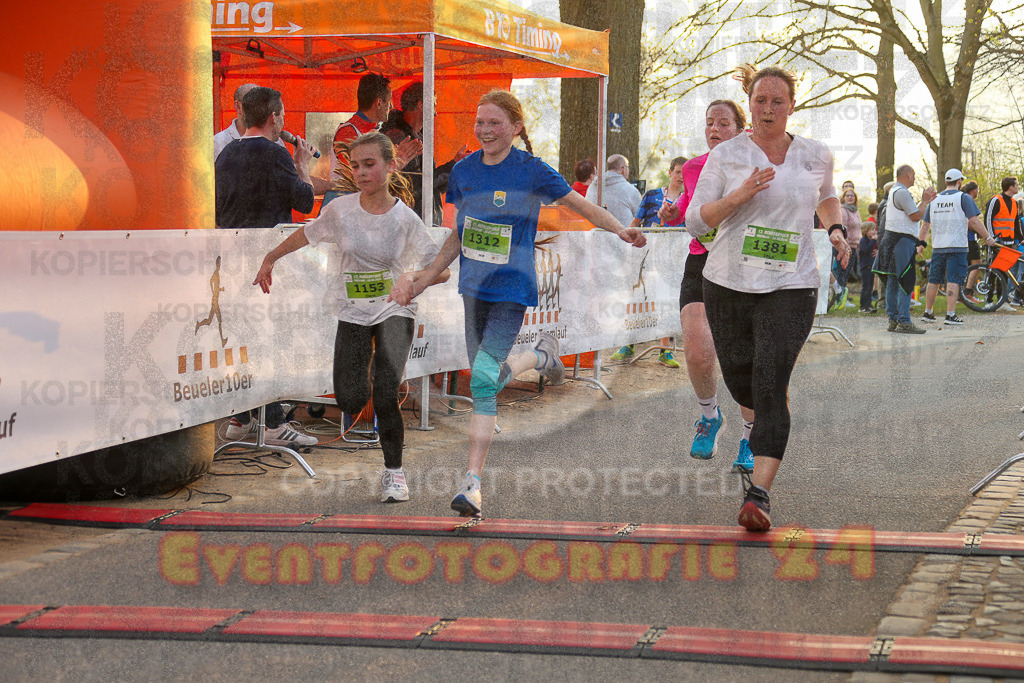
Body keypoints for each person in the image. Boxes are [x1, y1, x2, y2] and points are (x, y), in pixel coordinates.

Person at [389, 89, 646, 517]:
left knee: (486, 377)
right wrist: (425, 279)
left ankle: (472, 484)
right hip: (473, 289)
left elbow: (580, 205)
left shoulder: (532, 171)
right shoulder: (464, 171)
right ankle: (539, 355)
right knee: (485, 383)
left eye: (494, 123)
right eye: (480, 121)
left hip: (512, 289)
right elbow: (459, 235)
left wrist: (621, 230)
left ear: (516, 127)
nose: (485, 130)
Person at [684, 64, 849, 532]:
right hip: (728, 282)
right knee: (741, 379)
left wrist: (834, 227)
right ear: (750, 103)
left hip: (792, 284)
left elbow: (826, 195)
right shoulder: (727, 156)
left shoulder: (816, 153)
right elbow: (698, 222)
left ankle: (760, 493)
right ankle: (750, 427)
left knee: (771, 380)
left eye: (778, 101)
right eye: (761, 101)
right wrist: (737, 197)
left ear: (792, 105)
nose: (769, 109)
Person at [253, 132, 447, 502]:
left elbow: (441, 269)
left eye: (369, 164)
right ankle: (369, 386)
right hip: (353, 310)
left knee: (386, 391)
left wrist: (410, 278)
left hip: (395, 307)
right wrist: (270, 258)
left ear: (391, 166)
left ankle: (394, 473)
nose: (360, 172)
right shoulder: (340, 211)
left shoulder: (405, 218)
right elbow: (304, 236)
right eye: (355, 166)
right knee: (350, 396)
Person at [214, 86, 318, 447]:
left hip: (231, 263)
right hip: (267, 265)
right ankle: (273, 423)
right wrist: (303, 163)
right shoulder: (275, 154)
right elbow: (305, 201)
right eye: (284, 115)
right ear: (274, 117)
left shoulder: (225, 153)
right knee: (271, 340)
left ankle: (241, 417)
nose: (284, 122)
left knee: (246, 339)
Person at [658, 100, 754, 472]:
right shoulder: (695, 166)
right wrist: (672, 211)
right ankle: (709, 416)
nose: (714, 129)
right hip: (702, 260)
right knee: (697, 351)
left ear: (740, 129)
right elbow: (686, 208)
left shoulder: (756, 163)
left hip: (745, 264)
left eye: (723, 123)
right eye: (709, 123)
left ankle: (750, 435)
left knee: (744, 357)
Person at [610, 155, 688, 368]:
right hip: (647, 256)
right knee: (638, 298)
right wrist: (631, 237)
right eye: (678, 172)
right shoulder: (652, 195)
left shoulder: (688, 199)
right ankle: (629, 344)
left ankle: (665, 351)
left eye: (685, 172)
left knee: (667, 302)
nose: (681, 177)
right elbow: (635, 222)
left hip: (673, 260)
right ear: (670, 172)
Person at [324, 73, 421, 209]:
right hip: (347, 209)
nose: (392, 105)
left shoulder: (375, 132)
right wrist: (394, 164)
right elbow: (355, 180)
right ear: (379, 103)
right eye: (389, 100)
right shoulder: (348, 132)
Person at [380, 81, 470, 224]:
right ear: (421, 105)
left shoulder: (416, 136)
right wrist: (453, 166)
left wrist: (458, 168)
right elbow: (415, 186)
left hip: (422, 222)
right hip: (410, 224)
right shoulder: (399, 137)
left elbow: (431, 187)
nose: (435, 113)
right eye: (434, 105)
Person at [918, 169, 996, 324]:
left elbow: (925, 224)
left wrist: (921, 243)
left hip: (939, 246)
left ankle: (928, 313)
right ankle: (950, 315)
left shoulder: (934, 199)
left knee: (934, 280)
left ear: (947, 181)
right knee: (953, 279)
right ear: (959, 181)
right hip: (957, 245)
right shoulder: (963, 198)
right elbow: (973, 221)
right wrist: (988, 237)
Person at [873, 165, 937, 334]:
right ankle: (904, 321)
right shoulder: (901, 192)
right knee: (905, 282)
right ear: (908, 174)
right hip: (901, 242)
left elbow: (910, 212)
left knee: (894, 282)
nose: (915, 178)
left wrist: (925, 201)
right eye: (914, 174)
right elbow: (915, 216)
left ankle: (893, 319)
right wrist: (924, 201)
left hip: (891, 240)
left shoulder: (894, 191)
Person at [214, 83, 286, 162]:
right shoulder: (218, 143)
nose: (259, 109)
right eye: (252, 104)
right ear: (238, 106)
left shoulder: (276, 141)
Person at [984, 177, 1023, 305]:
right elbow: (988, 219)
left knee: (1005, 273)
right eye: (1016, 185)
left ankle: (1003, 301)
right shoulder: (996, 200)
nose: (1018, 187)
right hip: (996, 242)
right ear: (1010, 187)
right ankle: (988, 300)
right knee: (993, 271)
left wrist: (1021, 238)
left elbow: (1016, 223)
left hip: (1009, 243)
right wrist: (990, 237)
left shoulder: (1013, 202)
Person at [586, 154, 642, 226]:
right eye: (627, 167)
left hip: (594, 234)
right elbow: (641, 216)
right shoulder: (630, 190)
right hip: (622, 235)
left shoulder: (592, 187)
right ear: (623, 170)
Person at [962, 180, 984, 302]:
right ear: (974, 190)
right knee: (976, 265)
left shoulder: (962, 200)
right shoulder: (969, 201)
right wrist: (983, 234)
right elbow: (972, 223)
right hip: (970, 239)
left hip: (962, 240)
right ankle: (968, 292)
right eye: (978, 190)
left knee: (965, 266)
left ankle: (961, 293)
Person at [858, 222, 878, 312]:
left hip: (871, 266)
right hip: (865, 266)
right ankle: (863, 306)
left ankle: (868, 304)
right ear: (865, 231)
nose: (874, 232)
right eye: (871, 230)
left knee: (870, 287)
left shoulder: (871, 241)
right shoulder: (863, 241)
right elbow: (866, 249)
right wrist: (873, 240)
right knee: (866, 287)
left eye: (874, 229)